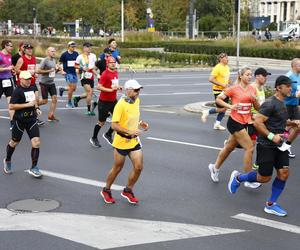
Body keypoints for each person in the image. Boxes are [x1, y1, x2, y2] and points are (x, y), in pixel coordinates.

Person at [228, 75, 300, 217]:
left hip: (280, 145)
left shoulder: (282, 103)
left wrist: (292, 124)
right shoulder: (270, 103)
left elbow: (277, 122)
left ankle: (271, 204)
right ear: (279, 88)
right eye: (288, 86)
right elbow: (257, 122)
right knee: (264, 178)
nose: (291, 88)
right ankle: (238, 178)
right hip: (266, 144)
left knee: (284, 173)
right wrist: (272, 137)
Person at [208, 67, 260, 185]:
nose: (249, 76)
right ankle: (248, 179)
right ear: (240, 76)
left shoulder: (253, 89)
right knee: (250, 148)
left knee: (229, 148)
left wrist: (255, 101)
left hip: (246, 122)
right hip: (234, 122)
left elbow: (258, 108)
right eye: (247, 74)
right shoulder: (234, 89)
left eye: (250, 74)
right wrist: (230, 106)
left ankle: (214, 168)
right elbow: (219, 100)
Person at [100, 79, 149, 204]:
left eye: (139, 89)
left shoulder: (137, 101)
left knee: (138, 167)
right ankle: (106, 190)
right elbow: (114, 126)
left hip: (134, 141)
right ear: (128, 90)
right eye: (136, 90)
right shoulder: (120, 105)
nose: (138, 92)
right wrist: (130, 131)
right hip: (121, 141)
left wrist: (141, 123)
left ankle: (128, 190)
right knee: (117, 168)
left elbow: (133, 117)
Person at [3, 71, 43, 178]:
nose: (29, 80)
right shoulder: (17, 91)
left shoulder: (32, 87)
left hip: (32, 119)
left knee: (36, 142)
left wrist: (37, 108)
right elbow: (11, 106)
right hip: (19, 121)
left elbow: (33, 101)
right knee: (14, 142)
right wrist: (26, 105)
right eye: (26, 79)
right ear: (21, 79)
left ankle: (34, 167)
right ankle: (7, 160)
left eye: (30, 78)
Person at [90, 56, 122, 148]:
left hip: (113, 101)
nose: (113, 63)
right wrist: (110, 90)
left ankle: (108, 134)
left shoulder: (115, 72)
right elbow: (99, 87)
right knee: (101, 122)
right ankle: (94, 138)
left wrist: (118, 87)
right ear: (107, 63)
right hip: (104, 102)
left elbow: (113, 85)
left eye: (114, 62)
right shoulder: (105, 73)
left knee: (118, 120)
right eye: (111, 62)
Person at [15, 43, 45, 126]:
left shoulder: (34, 58)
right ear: (24, 50)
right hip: (23, 84)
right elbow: (16, 70)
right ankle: (22, 118)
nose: (30, 50)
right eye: (28, 49)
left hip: (32, 82)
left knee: (36, 99)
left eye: (31, 49)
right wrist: (26, 72)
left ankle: (33, 117)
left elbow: (33, 69)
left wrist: (35, 73)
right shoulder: (22, 59)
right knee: (27, 101)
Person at [201, 53, 231, 130]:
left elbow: (226, 78)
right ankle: (207, 112)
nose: (228, 59)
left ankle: (217, 124)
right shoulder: (217, 67)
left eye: (227, 58)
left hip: (225, 90)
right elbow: (211, 79)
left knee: (224, 108)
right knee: (223, 108)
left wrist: (231, 84)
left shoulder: (227, 67)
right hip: (218, 90)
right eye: (226, 58)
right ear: (221, 59)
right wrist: (222, 85)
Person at [281, 58, 300, 158]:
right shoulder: (288, 76)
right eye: (299, 65)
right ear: (294, 66)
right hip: (286, 105)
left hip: (295, 105)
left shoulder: (299, 76)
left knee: (297, 126)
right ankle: (276, 145)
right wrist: (294, 95)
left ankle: (286, 145)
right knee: (282, 126)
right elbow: (283, 92)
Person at [37, 47, 61, 122]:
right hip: (44, 83)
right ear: (48, 52)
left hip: (51, 83)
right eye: (52, 51)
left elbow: (53, 72)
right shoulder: (45, 60)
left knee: (55, 99)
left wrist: (57, 70)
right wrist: (49, 70)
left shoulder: (54, 60)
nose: (54, 52)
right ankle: (33, 105)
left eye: (54, 51)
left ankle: (50, 116)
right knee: (45, 101)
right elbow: (38, 71)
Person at [73, 42, 97, 115]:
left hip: (91, 76)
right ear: (84, 48)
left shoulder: (93, 55)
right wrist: (81, 67)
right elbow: (75, 65)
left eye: (90, 47)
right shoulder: (80, 57)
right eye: (88, 47)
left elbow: (95, 65)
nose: (90, 48)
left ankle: (77, 98)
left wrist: (97, 73)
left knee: (90, 93)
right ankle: (89, 110)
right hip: (84, 76)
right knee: (89, 92)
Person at [58, 41, 79, 108]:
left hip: (74, 72)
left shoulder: (76, 54)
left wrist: (78, 69)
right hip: (67, 73)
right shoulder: (64, 54)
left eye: (74, 46)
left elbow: (77, 63)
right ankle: (69, 103)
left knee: (74, 89)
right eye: (72, 46)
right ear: (69, 46)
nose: (73, 48)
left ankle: (62, 89)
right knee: (71, 87)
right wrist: (61, 71)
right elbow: (58, 64)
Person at [0, 40, 15, 129]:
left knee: (11, 102)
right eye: (10, 46)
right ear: (5, 46)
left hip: (8, 80)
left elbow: (9, 66)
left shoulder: (9, 55)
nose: (12, 48)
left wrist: (11, 70)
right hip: (0, 80)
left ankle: (12, 122)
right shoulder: (0, 55)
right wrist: (7, 68)